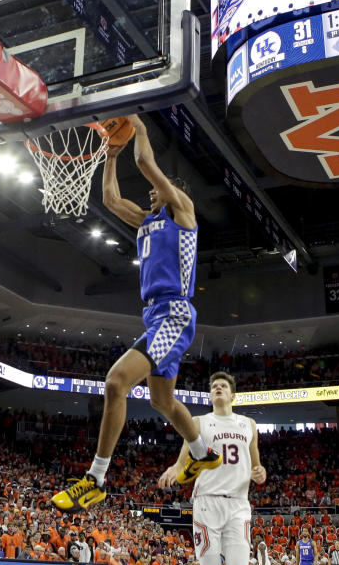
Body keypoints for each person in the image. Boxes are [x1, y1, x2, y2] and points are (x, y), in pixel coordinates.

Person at [53, 114, 221, 513]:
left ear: (172, 192)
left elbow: (146, 165)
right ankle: (201, 453)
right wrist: (111, 155)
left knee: (115, 383)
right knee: (163, 401)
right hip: (155, 315)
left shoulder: (183, 212)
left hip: (174, 313)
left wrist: (141, 128)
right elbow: (111, 199)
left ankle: (95, 478)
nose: (149, 194)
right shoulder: (148, 223)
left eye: (155, 191)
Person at [158, 372, 266, 565]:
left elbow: (257, 464)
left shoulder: (249, 424)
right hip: (207, 503)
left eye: (223, 386)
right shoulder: (199, 422)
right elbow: (183, 459)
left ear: (233, 395)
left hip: (238, 505)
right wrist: (175, 467)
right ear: (209, 395)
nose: (218, 388)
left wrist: (259, 472)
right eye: (214, 386)